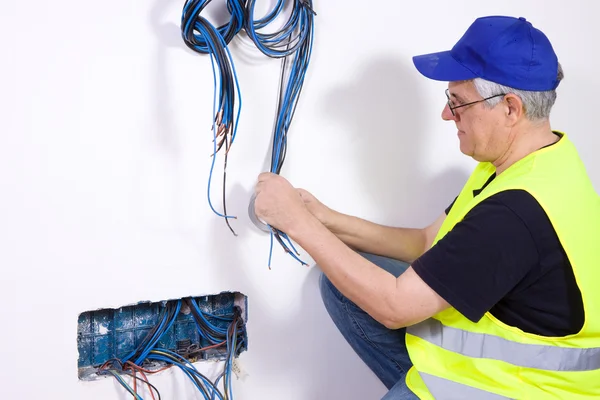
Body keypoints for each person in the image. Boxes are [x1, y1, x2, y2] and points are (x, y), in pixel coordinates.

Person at [253, 15, 600, 399]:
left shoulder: (514, 212)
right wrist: (324, 217)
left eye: (459, 103)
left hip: (520, 391)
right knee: (342, 286)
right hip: (508, 366)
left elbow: (394, 307)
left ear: (511, 109)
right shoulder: (533, 162)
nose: (447, 115)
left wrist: (297, 223)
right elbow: (424, 242)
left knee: (376, 292)